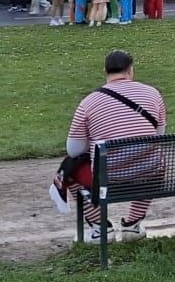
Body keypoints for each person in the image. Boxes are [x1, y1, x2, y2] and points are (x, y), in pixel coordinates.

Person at [67, 50, 167, 242]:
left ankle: (100, 227)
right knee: (151, 160)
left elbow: (73, 150)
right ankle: (133, 225)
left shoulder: (89, 102)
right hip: (150, 173)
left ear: (105, 71)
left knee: (68, 170)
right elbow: (159, 135)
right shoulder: (152, 93)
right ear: (131, 70)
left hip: (109, 176)